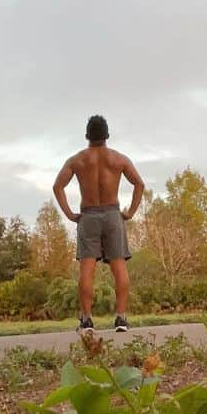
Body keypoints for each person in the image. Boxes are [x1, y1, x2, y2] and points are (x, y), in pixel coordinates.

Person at [53, 114, 144, 333]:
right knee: (119, 266)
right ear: (107, 135)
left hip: (89, 216)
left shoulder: (77, 160)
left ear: (87, 135)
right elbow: (139, 184)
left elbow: (58, 186)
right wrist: (130, 212)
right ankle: (121, 319)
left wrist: (69, 214)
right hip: (113, 214)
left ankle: (86, 321)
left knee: (87, 268)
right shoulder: (119, 159)